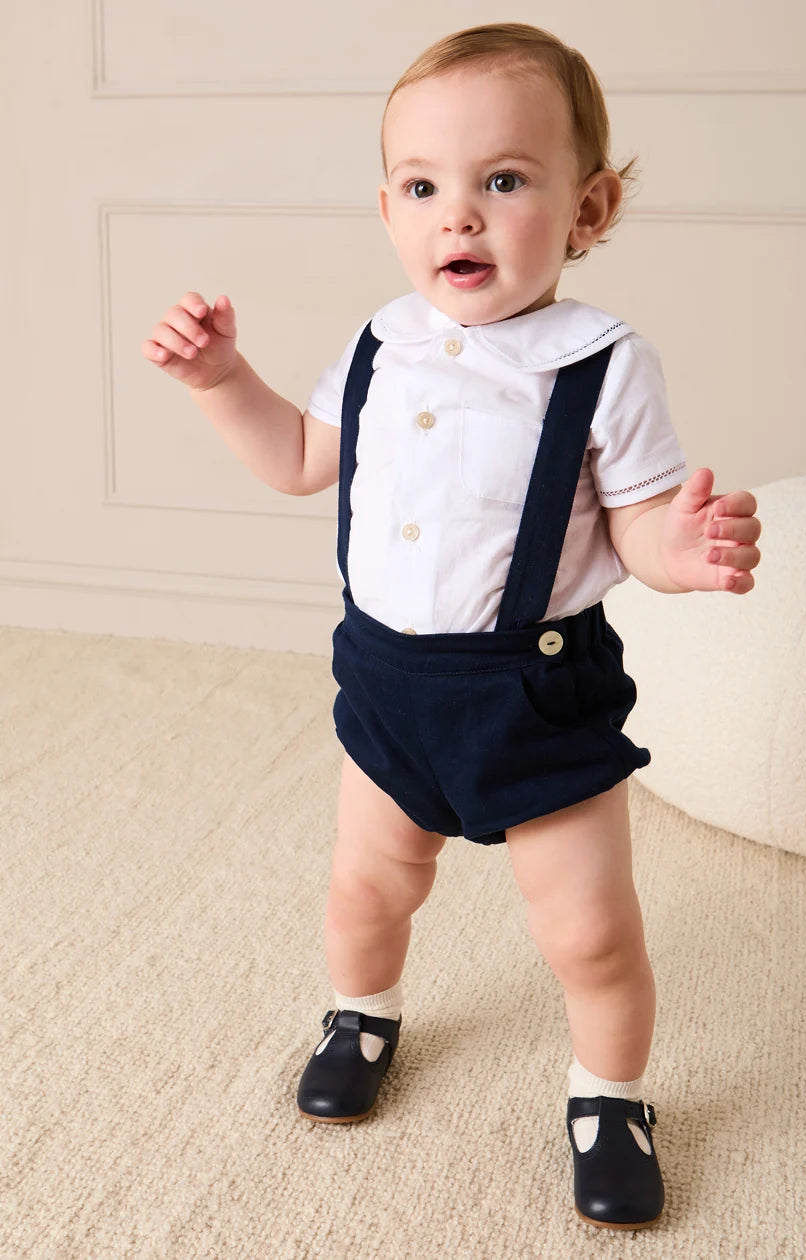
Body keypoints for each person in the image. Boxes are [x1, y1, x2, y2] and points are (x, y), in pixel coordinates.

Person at [141, 22, 761, 1231]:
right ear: (388, 209)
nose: (459, 216)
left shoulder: (604, 364)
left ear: (588, 209)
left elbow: (636, 525)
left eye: (505, 180)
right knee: (366, 888)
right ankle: (363, 1013)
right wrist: (222, 382)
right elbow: (301, 459)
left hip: (536, 693)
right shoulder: (382, 342)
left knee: (588, 930)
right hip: (389, 687)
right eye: (423, 188)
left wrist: (680, 553)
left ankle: (611, 1097)